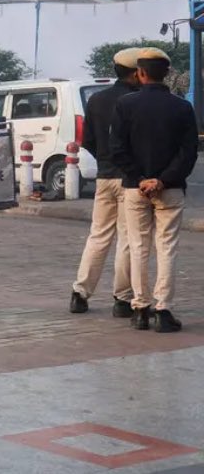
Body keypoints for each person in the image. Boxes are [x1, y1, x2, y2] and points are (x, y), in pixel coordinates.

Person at [110, 47, 199, 333]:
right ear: (168, 74)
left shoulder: (125, 105)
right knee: (167, 248)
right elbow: (188, 153)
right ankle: (163, 310)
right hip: (170, 189)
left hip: (135, 190)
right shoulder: (183, 107)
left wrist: (139, 179)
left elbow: (117, 149)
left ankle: (140, 309)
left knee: (138, 247)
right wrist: (162, 180)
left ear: (140, 73)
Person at [69, 49, 141, 316]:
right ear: (136, 73)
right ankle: (122, 299)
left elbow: (87, 139)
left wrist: (103, 158)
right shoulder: (135, 100)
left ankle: (80, 292)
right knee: (127, 238)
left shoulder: (97, 100)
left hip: (104, 176)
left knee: (98, 236)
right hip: (128, 179)